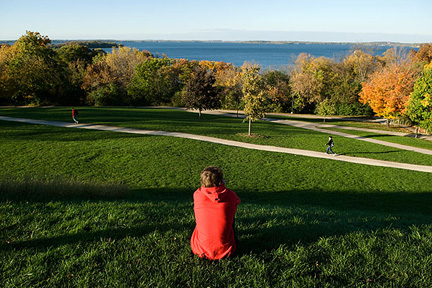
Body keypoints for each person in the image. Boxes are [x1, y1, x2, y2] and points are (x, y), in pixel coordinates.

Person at [191, 166, 241, 260]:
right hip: (227, 251)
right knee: (230, 217)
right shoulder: (231, 195)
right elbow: (234, 207)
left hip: (200, 250)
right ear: (221, 181)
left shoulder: (197, 195)